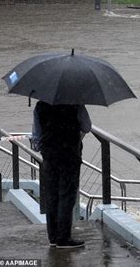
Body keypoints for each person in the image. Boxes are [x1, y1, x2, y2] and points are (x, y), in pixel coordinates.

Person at [32, 100, 91, 249]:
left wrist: (43, 145)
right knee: (66, 195)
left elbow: (36, 134)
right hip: (69, 155)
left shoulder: (41, 105)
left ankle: (53, 237)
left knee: (51, 195)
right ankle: (63, 238)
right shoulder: (76, 103)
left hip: (50, 156)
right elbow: (87, 126)